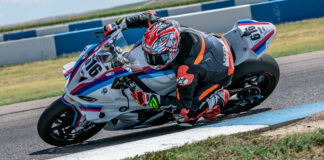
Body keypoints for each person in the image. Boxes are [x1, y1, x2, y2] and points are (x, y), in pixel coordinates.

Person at [104, 10, 234, 125]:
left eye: (159, 57)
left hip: (223, 70)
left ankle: (219, 98)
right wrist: (118, 24)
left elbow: (183, 106)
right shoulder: (168, 26)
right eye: (149, 55)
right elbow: (148, 15)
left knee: (184, 117)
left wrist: (149, 99)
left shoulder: (186, 70)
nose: (152, 60)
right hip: (214, 41)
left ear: (173, 50)